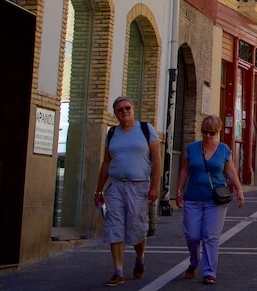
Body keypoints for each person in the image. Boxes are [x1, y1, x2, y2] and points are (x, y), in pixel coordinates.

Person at [95, 97, 162, 287]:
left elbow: (156, 161)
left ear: (133, 109)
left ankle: (140, 257)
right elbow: (106, 162)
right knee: (114, 227)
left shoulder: (146, 130)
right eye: (119, 109)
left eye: (127, 108)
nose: (124, 111)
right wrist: (99, 190)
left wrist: (154, 187)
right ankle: (118, 271)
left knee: (137, 227)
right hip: (115, 186)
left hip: (138, 186)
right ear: (115, 114)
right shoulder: (112, 133)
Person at [175, 115, 245, 285]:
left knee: (210, 235)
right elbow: (184, 171)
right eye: (205, 132)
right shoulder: (191, 149)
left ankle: (209, 272)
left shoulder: (224, 150)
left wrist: (239, 190)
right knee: (192, 235)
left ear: (218, 132)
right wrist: (178, 191)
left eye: (212, 133)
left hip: (215, 200)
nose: (208, 136)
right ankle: (194, 261)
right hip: (193, 197)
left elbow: (230, 171)